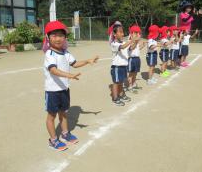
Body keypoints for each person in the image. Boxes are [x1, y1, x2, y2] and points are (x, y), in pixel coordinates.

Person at [43, 20, 99, 151]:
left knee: (63, 113)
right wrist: (69, 76)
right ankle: (53, 140)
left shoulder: (65, 53)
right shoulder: (49, 54)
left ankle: (65, 133)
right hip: (52, 91)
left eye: (61, 35)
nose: (58, 39)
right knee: (51, 116)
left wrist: (87, 61)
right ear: (48, 38)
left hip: (64, 89)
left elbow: (74, 63)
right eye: (54, 35)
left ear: (65, 38)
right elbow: (53, 70)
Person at [110, 21, 137, 106]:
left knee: (121, 82)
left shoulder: (123, 42)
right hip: (116, 67)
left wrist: (135, 41)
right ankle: (115, 98)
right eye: (120, 32)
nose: (122, 34)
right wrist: (131, 40)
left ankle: (121, 94)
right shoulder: (114, 44)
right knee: (116, 82)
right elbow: (122, 47)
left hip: (123, 67)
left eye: (123, 32)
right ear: (114, 34)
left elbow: (130, 48)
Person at [127, 24, 145, 93]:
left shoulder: (136, 40)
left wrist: (142, 46)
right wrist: (136, 41)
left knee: (135, 73)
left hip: (137, 58)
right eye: (136, 33)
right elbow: (131, 48)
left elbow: (137, 49)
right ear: (132, 33)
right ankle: (130, 86)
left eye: (138, 33)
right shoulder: (130, 40)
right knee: (131, 73)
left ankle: (134, 84)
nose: (137, 34)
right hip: (131, 59)